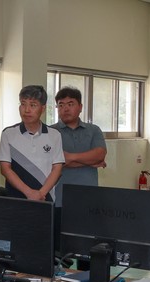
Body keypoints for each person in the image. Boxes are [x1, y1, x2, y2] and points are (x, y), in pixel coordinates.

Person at [51, 87, 107, 267]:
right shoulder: (50, 132)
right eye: (61, 105)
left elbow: (100, 154)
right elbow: (54, 162)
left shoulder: (93, 130)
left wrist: (70, 158)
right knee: (58, 256)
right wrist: (88, 161)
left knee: (87, 255)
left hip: (88, 202)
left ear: (80, 107)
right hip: (59, 201)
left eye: (70, 104)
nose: (65, 109)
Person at [0, 85, 65, 202]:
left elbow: (57, 169)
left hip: (45, 198)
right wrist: (29, 192)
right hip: (15, 199)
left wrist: (41, 193)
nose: (27, 110)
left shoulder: (54, 135)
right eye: (23, 104)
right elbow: (5, 169)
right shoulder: (8, 133)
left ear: (43, 108)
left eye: (33, 105)